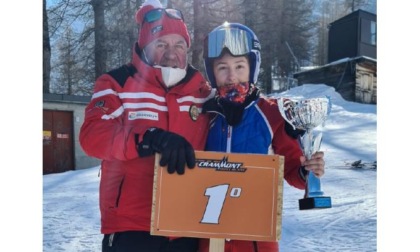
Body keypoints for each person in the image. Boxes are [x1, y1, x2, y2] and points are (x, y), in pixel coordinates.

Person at [79, 0, 214, 251]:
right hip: (132, 227)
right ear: (144, 46)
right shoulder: (117, 83)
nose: (171, 53)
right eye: (161, 44)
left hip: (188, 225)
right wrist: (148, 138)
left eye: (179, 45)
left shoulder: (203, 92)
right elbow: (92, 136)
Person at [199, 22, 326, 252]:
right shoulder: (204, 114)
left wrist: (307, 171)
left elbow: (293, 173)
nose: (231, 77)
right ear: (212, 72)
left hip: (256, 238)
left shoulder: (272, 112)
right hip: (210, 236)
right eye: (222, 68)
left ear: (252, 67)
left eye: (239, 66)